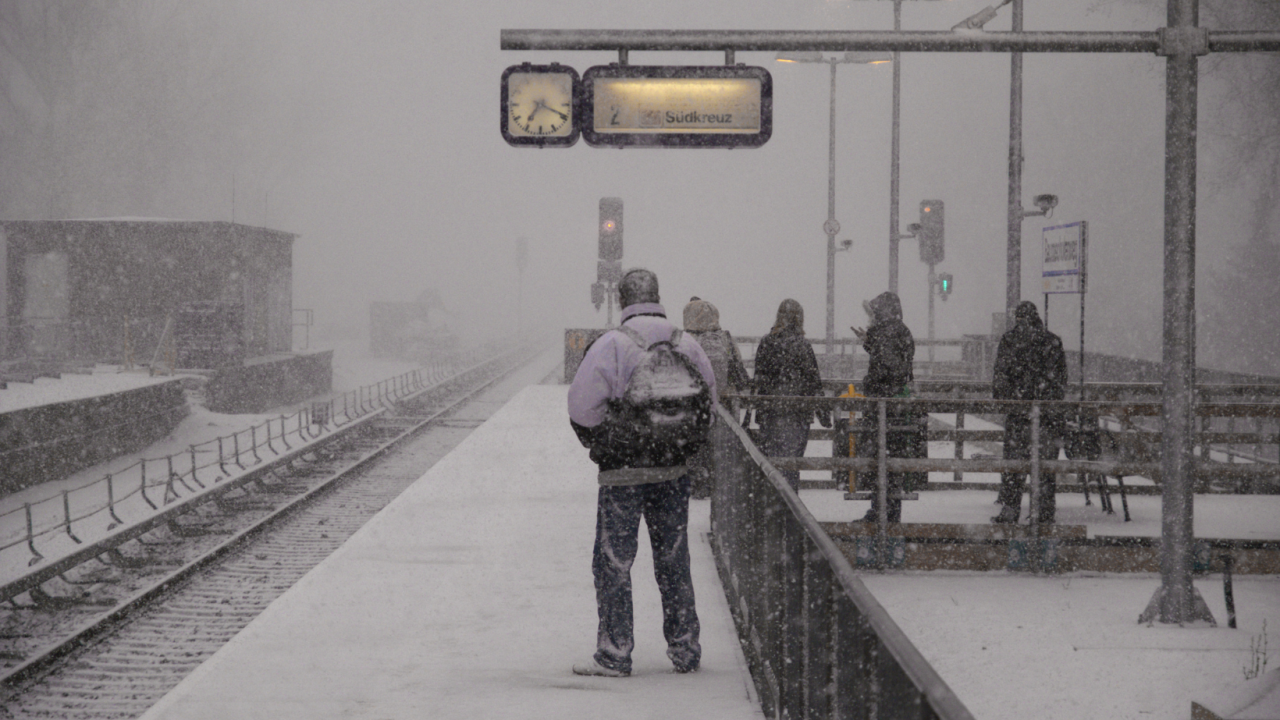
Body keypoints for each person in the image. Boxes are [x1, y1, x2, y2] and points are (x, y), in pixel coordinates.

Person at [567, 268, 716, 678]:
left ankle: (615, 653)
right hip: (672, 470)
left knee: (614, 561)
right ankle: (685, 648)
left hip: (623, 475)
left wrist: (608, 440)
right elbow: (710, 403)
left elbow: (581, 408)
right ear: (657, 296)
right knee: (673, 558)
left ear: (623, 299)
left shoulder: (613, 344)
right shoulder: (686, 342)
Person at [991, 300, 1068, 524]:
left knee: (1014, 465)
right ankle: (1043, 513)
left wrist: (1013, 400)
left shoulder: (1010, 340)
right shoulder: (1052, 341)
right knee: (1044, 468)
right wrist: (1044, 401)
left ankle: (1010, 510)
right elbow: (1059, 382)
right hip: (1047, 417)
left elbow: (1000, 378)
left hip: (1018, 415)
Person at [852, 291, 920, 523]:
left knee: (880, 460)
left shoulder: (886, 332)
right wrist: (870, 342)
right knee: (892, 463)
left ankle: (881, 512)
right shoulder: (901, 330)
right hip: (896, 407)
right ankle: (889, 512)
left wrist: (868, 382)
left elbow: (887, 367)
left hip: (883, 407)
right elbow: (897, 364)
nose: (872, 316)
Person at [753, 298, 826, 492]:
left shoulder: (767, 342)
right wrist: (824, 412)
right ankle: (790, 508)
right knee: (792, 464)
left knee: (772, 463)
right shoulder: (802, 345)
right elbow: (813, 381)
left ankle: (773, 505)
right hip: (797, 412)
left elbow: (759, 378)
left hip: (771, 411)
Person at [683, 298, 751, 499]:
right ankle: (718, 484)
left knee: (695, 445)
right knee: (720, 447)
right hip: (723, 403)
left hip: (694, 404)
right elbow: (738, 370)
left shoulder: (685, 339)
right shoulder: (725, 338)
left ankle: (696, 484)